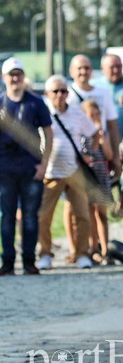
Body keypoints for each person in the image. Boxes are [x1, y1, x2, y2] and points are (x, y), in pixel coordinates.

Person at [38, 75, 100, 270]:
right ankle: (46, 253)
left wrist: (89, 153)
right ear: (47, 94)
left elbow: (94, 132)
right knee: (43, 216)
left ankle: (82, 253)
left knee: (82, 215)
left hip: (74, 171)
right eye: (55, 91)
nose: (60, 95)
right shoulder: (42, 111)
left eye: (64, 91)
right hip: (50, 172)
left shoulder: (76, 113)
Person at [0, 58, 53, 275]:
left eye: (19, 74)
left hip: (31, 167)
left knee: (31, 216)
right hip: (5, 169)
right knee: (7, 216)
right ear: (4, 78)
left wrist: (44, 164)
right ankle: (8, 261)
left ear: (23, 77)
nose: (15, 78)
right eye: (11, 75)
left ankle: (29, 260)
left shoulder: (35, 102)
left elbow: (49, 134)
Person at [67, 54, 121, 176]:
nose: (83, 71)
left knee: (102, 191)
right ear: (71, 71)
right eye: (79, 68)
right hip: (77, 148)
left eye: (86, 68)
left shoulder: (103, 93)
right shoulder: (66, 95)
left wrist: (116, 157)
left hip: (101, 149)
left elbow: (112, 126)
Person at [80, 99, 114, 265]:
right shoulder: (82, 134)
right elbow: (88, 153)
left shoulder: (103, 133)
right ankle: (92, 248)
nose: (95, 118)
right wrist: (94, 137)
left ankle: (105, 249)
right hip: (88, 175)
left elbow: (108, 155)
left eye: (97, 114)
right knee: (89, 214)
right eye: (91, 115)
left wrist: (102, 137)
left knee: (102, 214)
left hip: (101, 175)